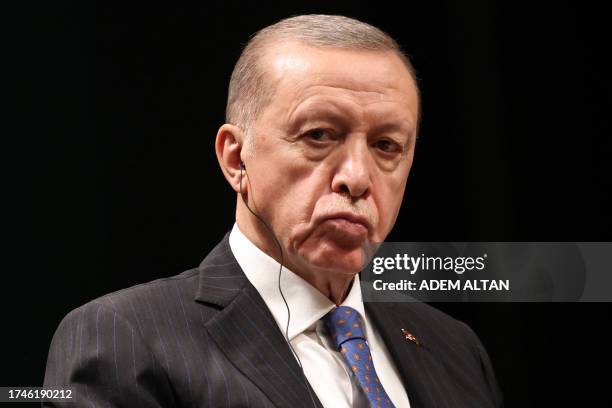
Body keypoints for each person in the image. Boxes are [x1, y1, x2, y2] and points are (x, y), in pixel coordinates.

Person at [43, 14, 503, 408]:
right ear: (235, 158)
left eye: (387, 145)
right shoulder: (124, 337)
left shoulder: (454, 348)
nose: (358, 177)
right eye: (319, 135)